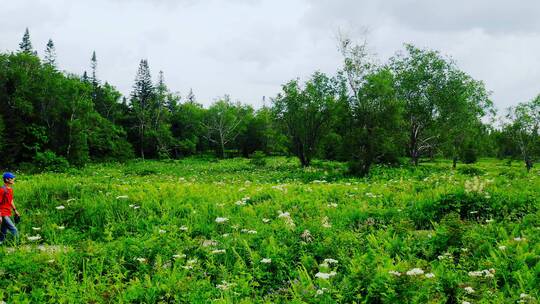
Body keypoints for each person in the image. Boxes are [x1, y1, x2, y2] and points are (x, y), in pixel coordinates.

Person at [0, 172, 19, 245]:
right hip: (3, 213)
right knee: (13, 229)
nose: (13, 179)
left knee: (3, 230)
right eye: (12, 178)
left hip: (8, 212)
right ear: (7, 179)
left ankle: (1, 242)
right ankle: (17, 245)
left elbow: (11, 200)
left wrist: (15, 210)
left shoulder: (10, 189)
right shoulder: (1, 190)